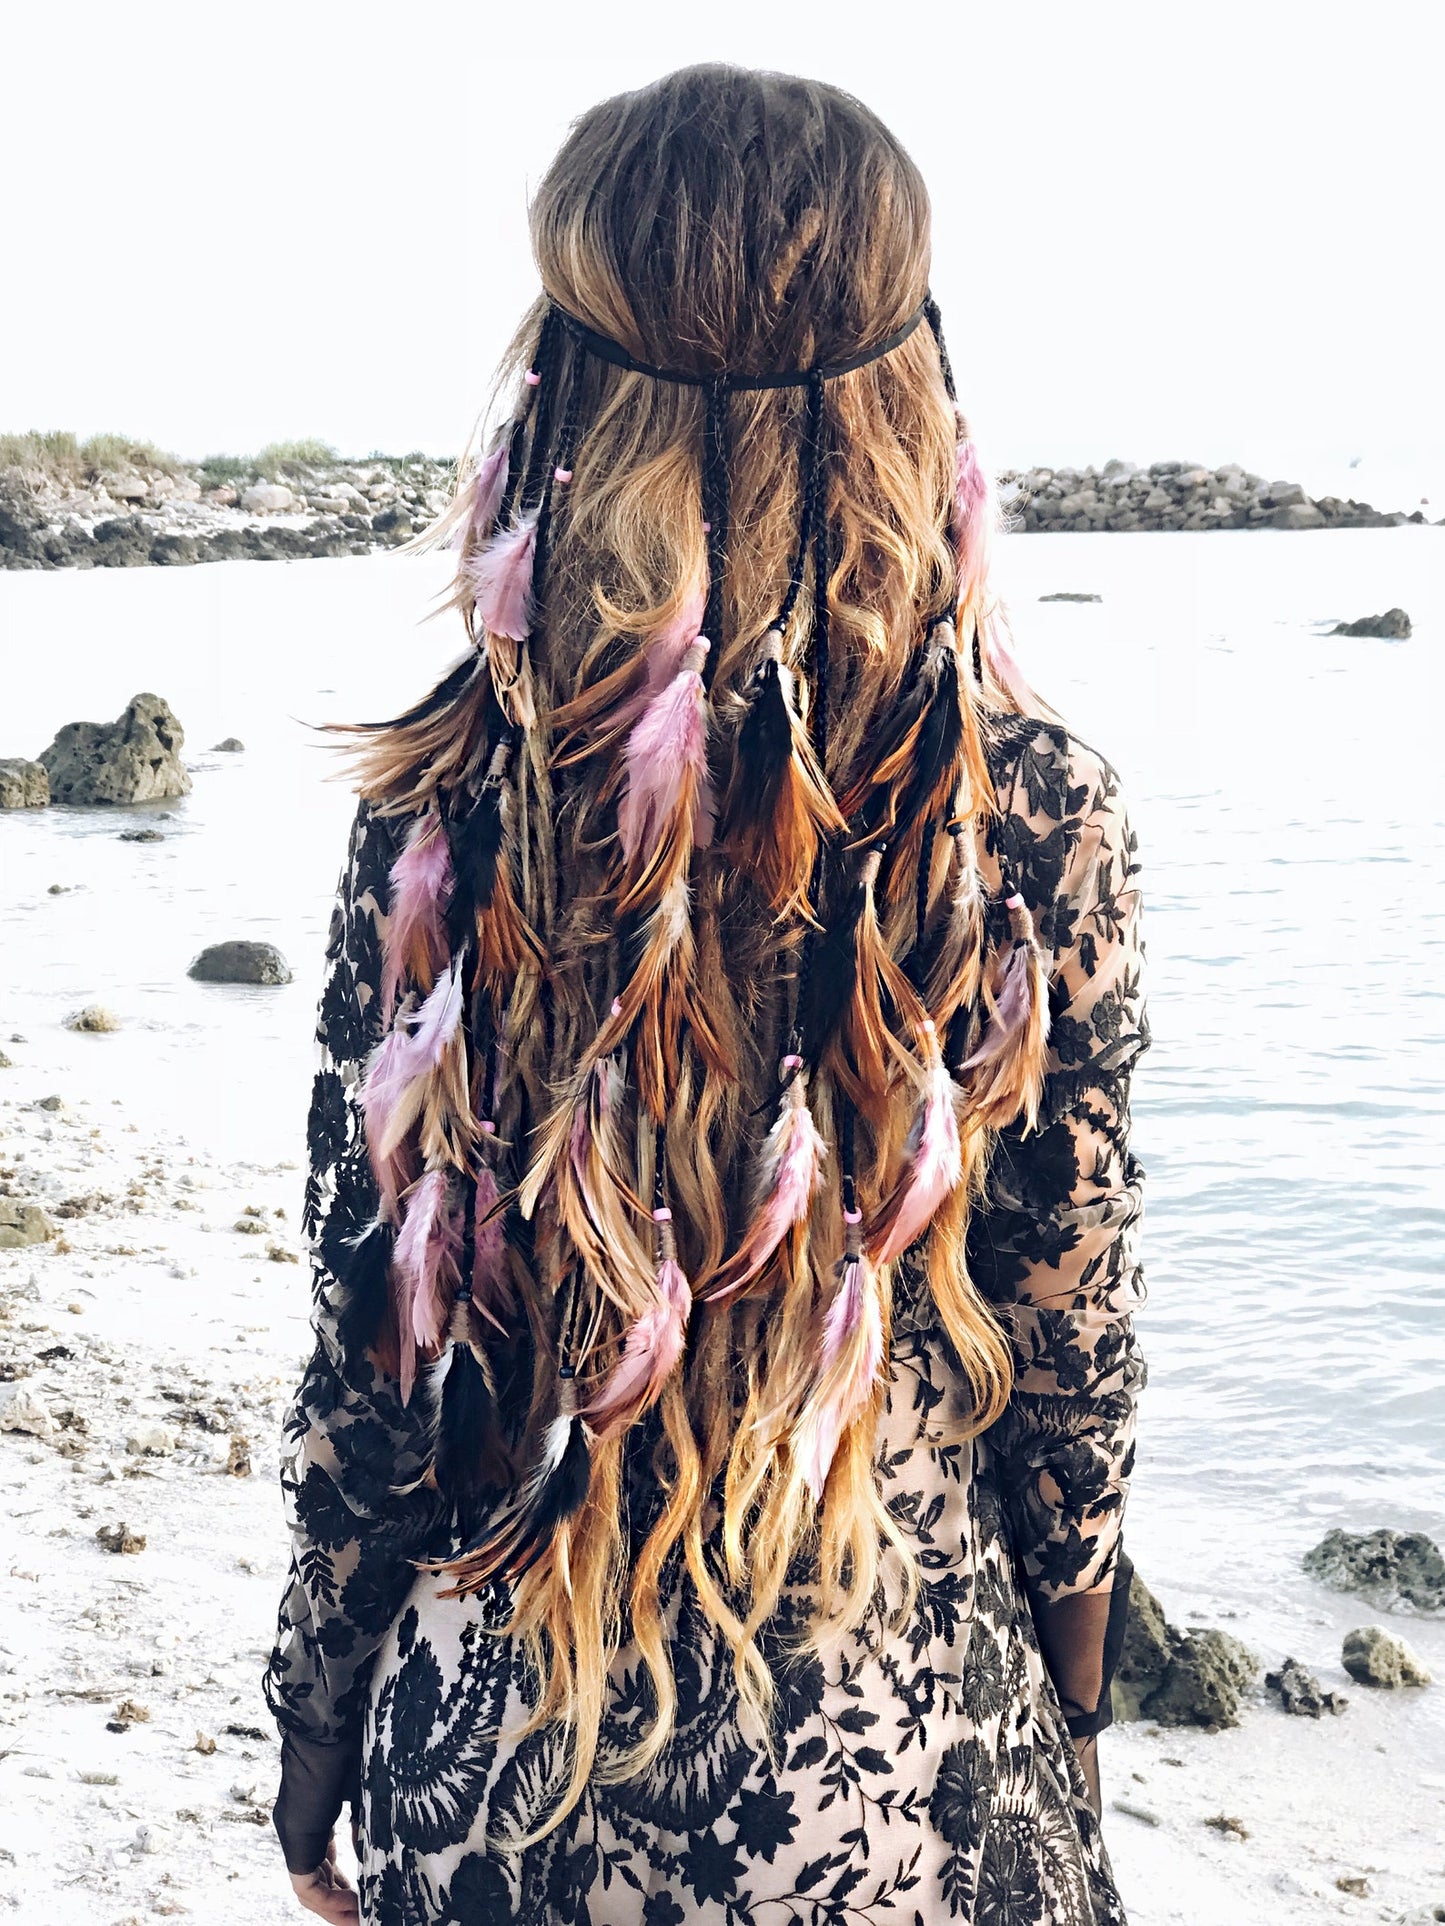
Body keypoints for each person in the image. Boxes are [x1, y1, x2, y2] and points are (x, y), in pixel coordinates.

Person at [265, 64, 1148, 1926]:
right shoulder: (1025, 812)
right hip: (894, 1769)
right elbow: (1067, 1330)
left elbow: (373, 1324)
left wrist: (317, 1726)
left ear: (558, 390)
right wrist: (1073, 1709)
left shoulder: (451, 814)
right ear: (914, 393)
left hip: (496, 1763)